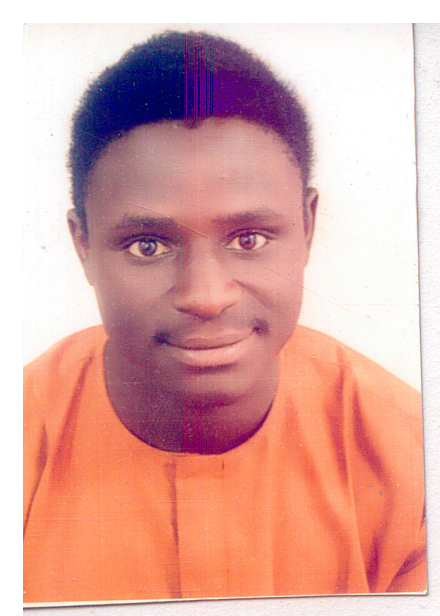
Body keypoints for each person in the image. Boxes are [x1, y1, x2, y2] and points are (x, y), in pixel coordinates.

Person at [24, 30, 426, 604]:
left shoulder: (412, 460)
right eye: (147, 245)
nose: (206, 296)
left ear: (308, 226)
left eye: (249, 238)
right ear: (82, 244)